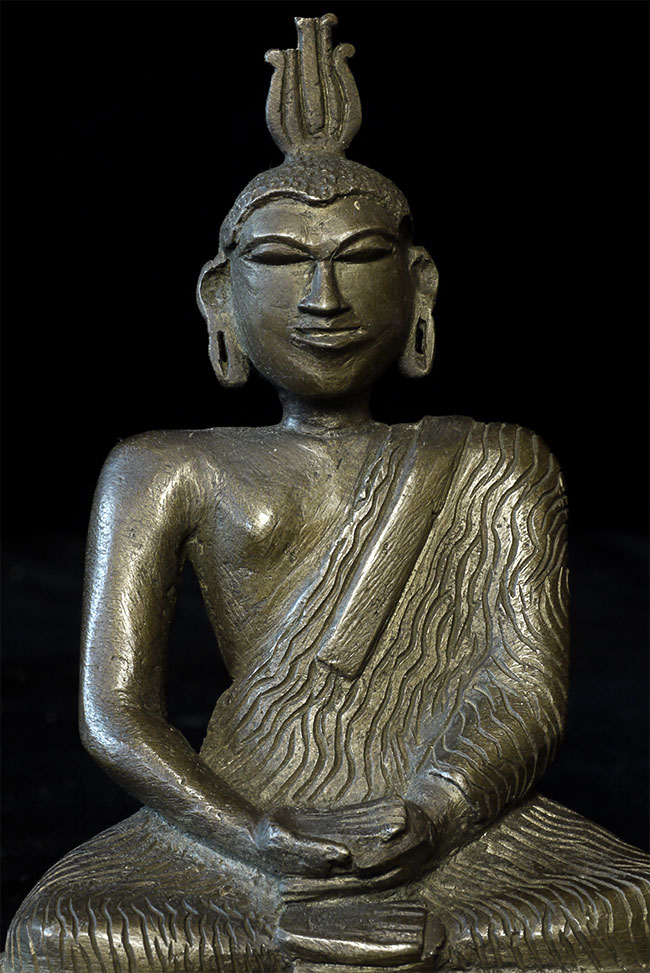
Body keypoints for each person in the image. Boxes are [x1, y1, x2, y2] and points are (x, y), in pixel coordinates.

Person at [4, 15, 648, 973]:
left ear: (419, 286)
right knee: (66, 933)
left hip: (453, 825)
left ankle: (383, 936)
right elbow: (117, 715)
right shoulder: (163, 466)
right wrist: (253, 831)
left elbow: (522, 690)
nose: (324, 299)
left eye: (359, 258)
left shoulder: (497, 461)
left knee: (632, 908)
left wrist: (434, 811)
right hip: (243, 816)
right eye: (279, 262)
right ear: (219, 297)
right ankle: (372, 941)